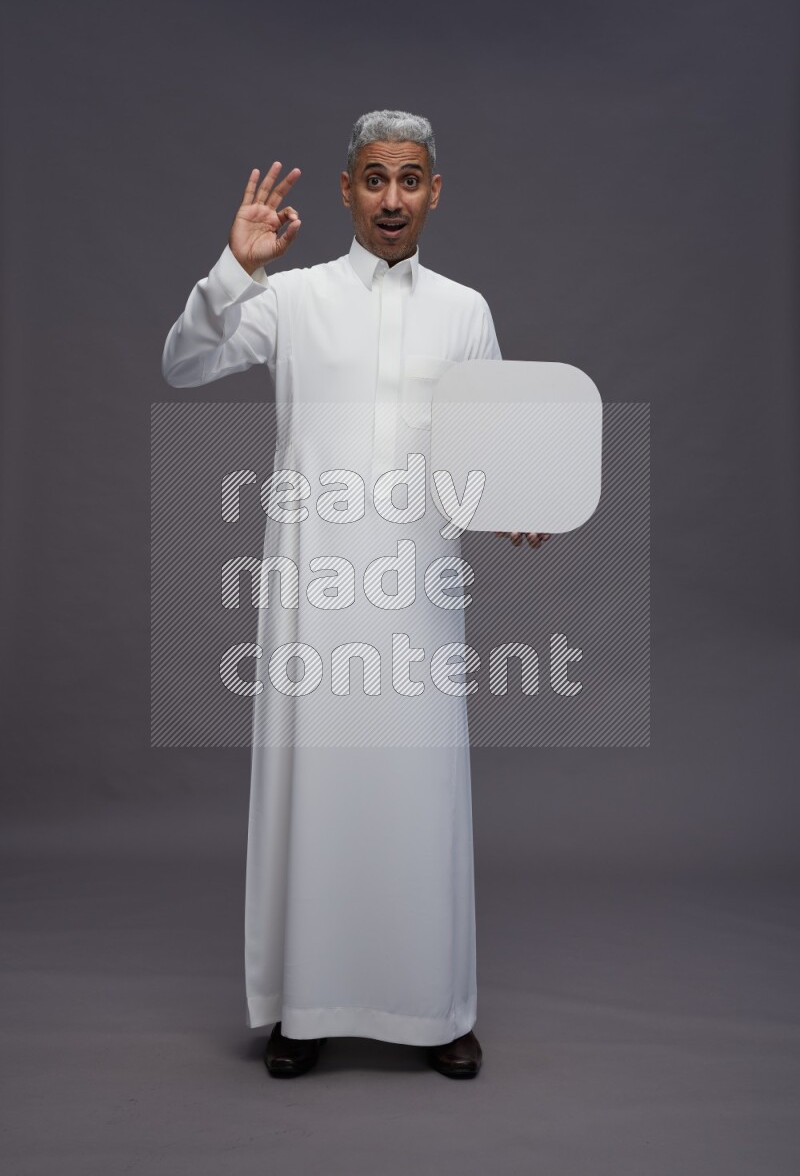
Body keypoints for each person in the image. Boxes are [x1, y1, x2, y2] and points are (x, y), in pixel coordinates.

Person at [162, 110, 549, 1080]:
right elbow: (184, 361)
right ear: (345, 191)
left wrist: (516, 499)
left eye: (409, 179)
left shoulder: (464, 310)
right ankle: (304, 1008)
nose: (391, 197)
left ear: (434, 192)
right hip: (314, 588)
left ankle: (436, 1010)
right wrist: (235, 266)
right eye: (374, 178)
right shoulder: (291, 298)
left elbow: (490, 449)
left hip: (417, 592)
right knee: (316, 790)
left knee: (420, 798)